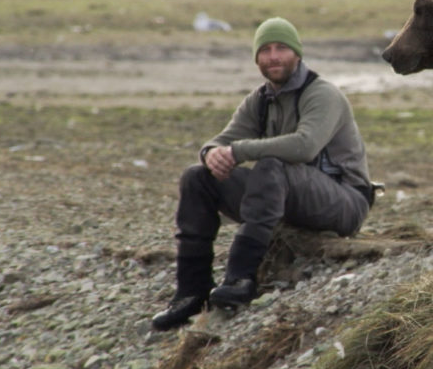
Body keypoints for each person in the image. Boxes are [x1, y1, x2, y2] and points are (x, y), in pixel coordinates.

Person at [152, 17, 373, 331]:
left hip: (344, 202)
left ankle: (241, 278)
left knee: (272, 164)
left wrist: (239, 152)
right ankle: (191, 292)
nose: (273, 57)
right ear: (257, 58)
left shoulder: (323, 94)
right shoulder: (260, 100)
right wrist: (210, 154)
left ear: (296, 53)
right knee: (197, 177)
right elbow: (221, 141)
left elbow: (304, 147)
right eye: (265, 50)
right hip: (287, 193)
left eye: (281, 48)